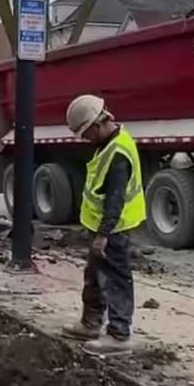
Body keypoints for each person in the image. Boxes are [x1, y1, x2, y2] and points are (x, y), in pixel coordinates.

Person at [60, 94, 145, 354]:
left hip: (114, 229)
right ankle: (91, 322)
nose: (86, 140)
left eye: (86, 134)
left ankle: (119, 335)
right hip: (102, 227)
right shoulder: (107, 144)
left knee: (117, 279)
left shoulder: (118, 153)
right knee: (94, 275)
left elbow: (115, 199)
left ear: (97, 124)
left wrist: (103, 234)